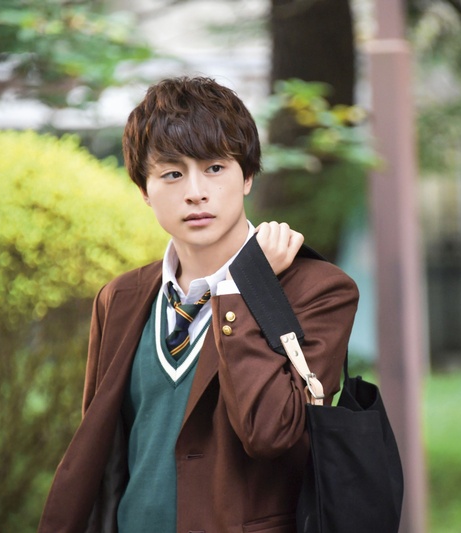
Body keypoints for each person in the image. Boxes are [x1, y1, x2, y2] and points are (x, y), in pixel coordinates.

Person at [38, 76, 359, 532]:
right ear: (144, 190)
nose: (195, 191)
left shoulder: (317, 290)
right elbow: (103, 452)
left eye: (214, 168)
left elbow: (272, 433)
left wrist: (246, 289)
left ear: (247, 176)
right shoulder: (120, 299)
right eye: (172, 173)